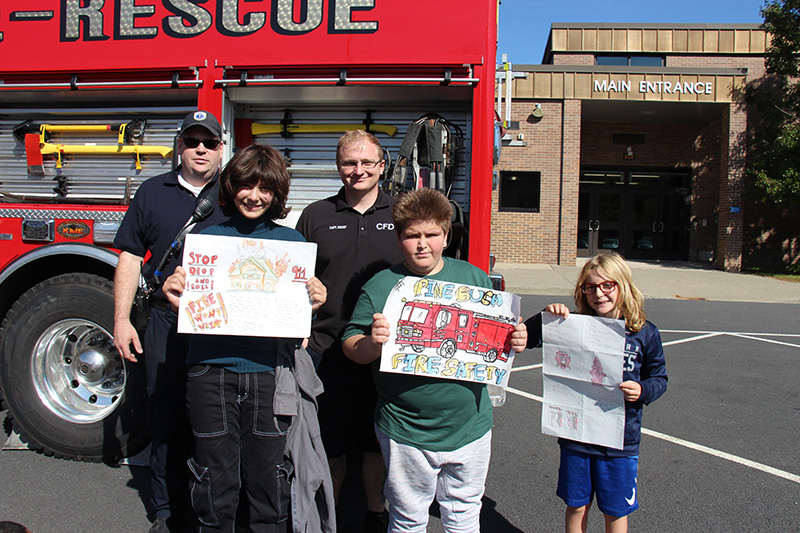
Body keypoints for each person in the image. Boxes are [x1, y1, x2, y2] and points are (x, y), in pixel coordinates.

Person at [162, 143, 330, 532]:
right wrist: (177, 294)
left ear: (277, 194)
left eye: (265, 188)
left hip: (270, 375)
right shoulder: (206, 240)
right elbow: (191, 302)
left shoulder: (293, 245)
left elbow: (298, 313)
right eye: (246, 185)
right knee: (213, 476)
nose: (254, 196)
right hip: (209, 373)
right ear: (231, 186)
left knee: (269, 476)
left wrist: (314, 300)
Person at [341, 188, 528, 532]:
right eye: (413, 235)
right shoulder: (381, 285)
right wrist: (373, 342)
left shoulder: (473, 278)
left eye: (431, 234)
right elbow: (351, 345)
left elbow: (498, 336)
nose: (422, 243)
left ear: (446, 236)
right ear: (399, 239)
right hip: (404, 429)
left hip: (469, 425)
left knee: (464, 514)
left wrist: (516, 338)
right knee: (408, 518)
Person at [113, 110, 228, 532]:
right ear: (180, 145)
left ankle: (206, 507)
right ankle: (164, 510)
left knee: (211, 417)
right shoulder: (151, 192)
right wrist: (121, 320)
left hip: (216, 324)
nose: (201, 149)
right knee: (163, 414)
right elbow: (128, 255)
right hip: (164, 321)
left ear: (221, 148)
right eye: (192, 141)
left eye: (210, 142)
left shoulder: (234, 193)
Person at [295, 130, 403, 531]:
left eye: (366, 163)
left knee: (376, 439)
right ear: (338, 166)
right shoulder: (316, 215)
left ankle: (376, 512)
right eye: (349, 163)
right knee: (331, 440)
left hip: (386, 349)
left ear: (381, 165)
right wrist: (297, 327)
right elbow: (297, 278)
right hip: (326, 349)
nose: (358, 171)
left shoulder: (402, 213)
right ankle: (331, 516)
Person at [524, 252, 668, 533]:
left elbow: (659, 378)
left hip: (620, 443)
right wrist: (546, 316)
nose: (598, 293)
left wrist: (642, 390)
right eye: (589, 287)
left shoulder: (644, 333)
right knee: (576, 505)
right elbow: (529, 336)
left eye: (607, 286)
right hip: (577, 437)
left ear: (623, 285)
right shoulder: (572, 325)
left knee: (615, 510)